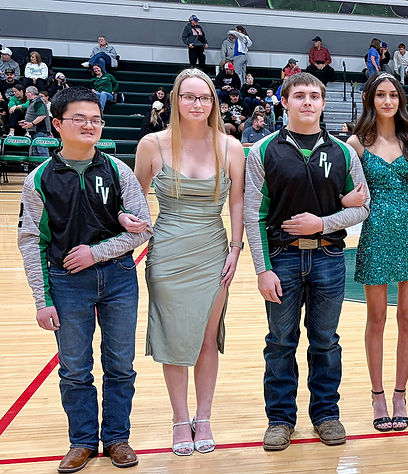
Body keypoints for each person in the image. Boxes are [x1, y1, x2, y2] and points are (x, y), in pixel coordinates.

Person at [17, 87, 152, 473]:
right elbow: (31, 242)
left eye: (95, 119)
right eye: (79, 118)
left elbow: (142, 231)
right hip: (65, 282)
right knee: (75, 368)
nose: (89, 125)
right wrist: (41, 300)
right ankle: (81, 442)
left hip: (119, 278)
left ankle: (116, 438)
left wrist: (98, 251)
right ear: (57, 124)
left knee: (120, 365)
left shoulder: (117, 170)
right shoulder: (39, 180)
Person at [119, 68, 246, 457]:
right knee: (174, 338)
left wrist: (236, 248)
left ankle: (203, 417)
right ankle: (179, 418)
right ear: (175, 100)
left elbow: (239, 201)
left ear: (214, 103)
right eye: (189, 97)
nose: (197, 104)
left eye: (204, 97)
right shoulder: (152, 145)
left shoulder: (230, 147)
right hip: (167, 251)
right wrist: (126, 218)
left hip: (212, 248)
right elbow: (133, 196)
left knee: (207, 338)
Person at [245, 72, 370, 450]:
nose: (307, 102)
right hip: (281, 258)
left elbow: (363, 206)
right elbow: (254, 214)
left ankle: (326, 414)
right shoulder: (262, 150)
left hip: (329, 258)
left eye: (314, 96)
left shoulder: (343, 152)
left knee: (325, 342)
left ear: (322, 103)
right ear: (284, 102)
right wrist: (262, 269)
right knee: (280, 342)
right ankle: (281, 419)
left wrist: (324, 222)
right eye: (299, 96)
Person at [348, 72, 408, 433]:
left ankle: (400, 393)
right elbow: (350, 193)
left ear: (400, 100)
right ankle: (378, 394)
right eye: (380, 95)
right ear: (371, 99)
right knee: (377, 318)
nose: (387, 101)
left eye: (393, 95)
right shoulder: (355, 143)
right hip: (376, 231)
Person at [21, 86, 51, 157]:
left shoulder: (38, 102)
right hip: (35, 131)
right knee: (35, 153)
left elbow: (42, 116)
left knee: (42, 152)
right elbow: (35, 115)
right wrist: (26, 121)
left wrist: (31, 123)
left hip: (40, 131)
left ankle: (45, 167)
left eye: (26, 93)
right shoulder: (33, 102)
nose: (25, 95)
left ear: (31, 93)